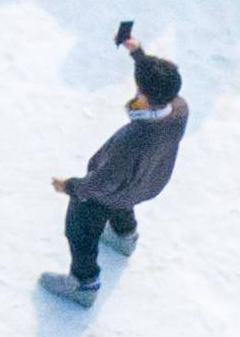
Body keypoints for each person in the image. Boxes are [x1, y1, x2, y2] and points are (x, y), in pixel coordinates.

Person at [41, 34, 189, 305]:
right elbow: (158, 84)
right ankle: (125, 237)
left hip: (109, 190)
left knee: (80, 231)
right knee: (123, 202)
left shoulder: (134, 140)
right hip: (146, 181)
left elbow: (103, 182)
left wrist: (71, 187)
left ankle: (83, 284)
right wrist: (138, 54)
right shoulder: (179, 108)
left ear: (143, 95)